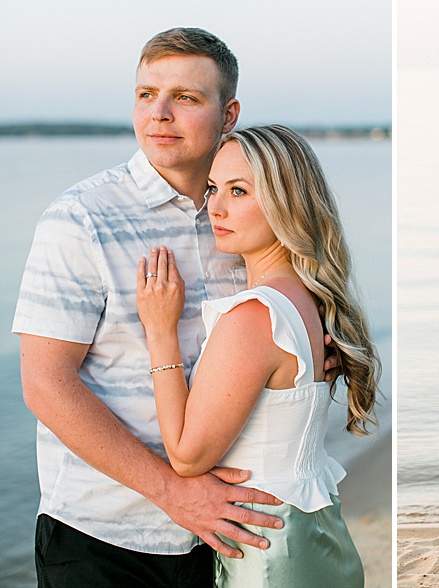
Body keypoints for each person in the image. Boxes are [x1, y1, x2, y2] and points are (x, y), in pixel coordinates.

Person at [14, 28, 286, 586]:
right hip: (102, 538)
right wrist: (174, 493)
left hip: (227, 531)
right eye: (146, 95)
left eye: (185, 97)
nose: (160, 113)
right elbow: (45, 383)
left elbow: (273, 326)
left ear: (228, 112)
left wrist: (310, 351)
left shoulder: (244, 215)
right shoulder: (79, 219)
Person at [136, 124, 378, 586]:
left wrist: (160, 330)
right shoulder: (308, 298)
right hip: (315, 532)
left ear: (286, 203)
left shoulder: (253, 316)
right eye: (213, 188)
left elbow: (188, 458)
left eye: (239, 191)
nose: (216, 208)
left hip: (269, 551)